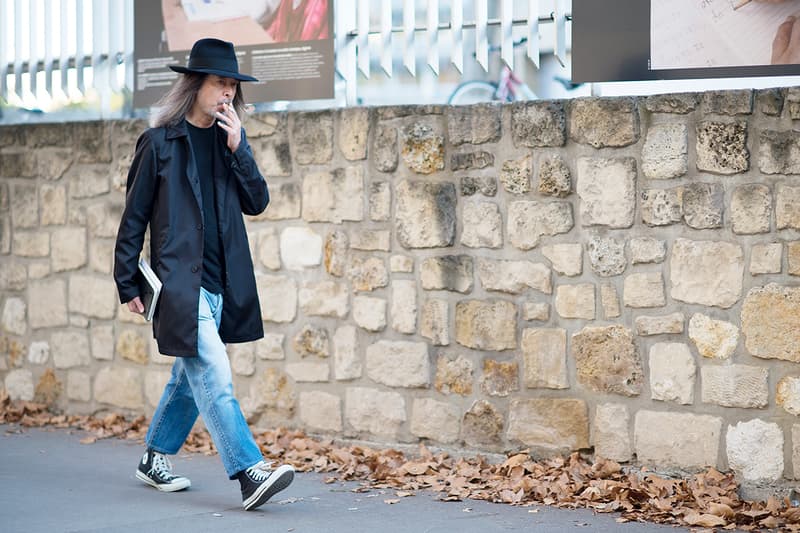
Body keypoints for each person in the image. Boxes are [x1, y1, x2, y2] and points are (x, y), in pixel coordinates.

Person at [113, 37, 294, 511]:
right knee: (214, 374)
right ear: (194, 85)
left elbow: (257, 202)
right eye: (218, 83)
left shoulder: (228, 142)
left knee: (188, 378)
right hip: (179, 287)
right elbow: (133, 218)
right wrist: (126, 281)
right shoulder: (159, 143)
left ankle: (154, 457)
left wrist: (239, 148)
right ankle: (249, 472)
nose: (227, 92)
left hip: (221, 287)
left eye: (232, 85)